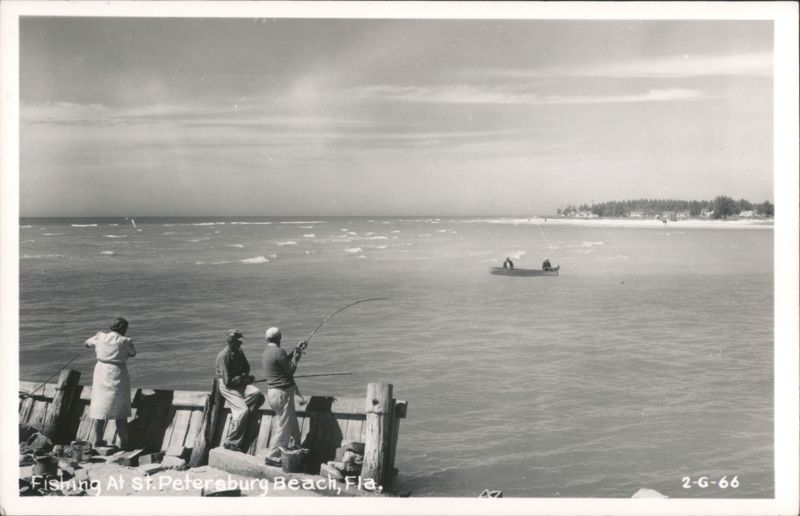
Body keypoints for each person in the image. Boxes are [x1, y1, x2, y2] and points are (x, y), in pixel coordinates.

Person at [85, 317, 136, 449]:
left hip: (101, 372)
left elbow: (86, 343)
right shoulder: (125, 341)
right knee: (120, 409)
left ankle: (98, 440)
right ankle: (124, 443)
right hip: (118, 373)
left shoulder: (100, 337)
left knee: (99, 408)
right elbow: (133, 353)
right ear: (123, 329)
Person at [261, 327, 306, 467]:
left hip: (272, 393)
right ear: (280, 337)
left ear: (266, 339)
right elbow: (290, 369)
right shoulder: (279, 351)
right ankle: (272, 456)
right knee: (285, 427)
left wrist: (295, 350)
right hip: (283, 394)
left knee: (290, 423)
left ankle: (295, 448)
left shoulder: (267, 352)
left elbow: (282, 363)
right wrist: (297, 358)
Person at [215, 329, 265, 452]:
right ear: (231, 341)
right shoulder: (223, 356)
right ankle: (231, 442)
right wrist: (243, 379)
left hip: (240, 383)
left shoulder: (239, 351)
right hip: (228, 387)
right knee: (242, 411)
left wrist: (244, 376)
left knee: (257, 394)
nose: (240, 344)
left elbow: (247, 367)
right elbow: (228, 382)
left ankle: (240, 416)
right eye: (238, 342)